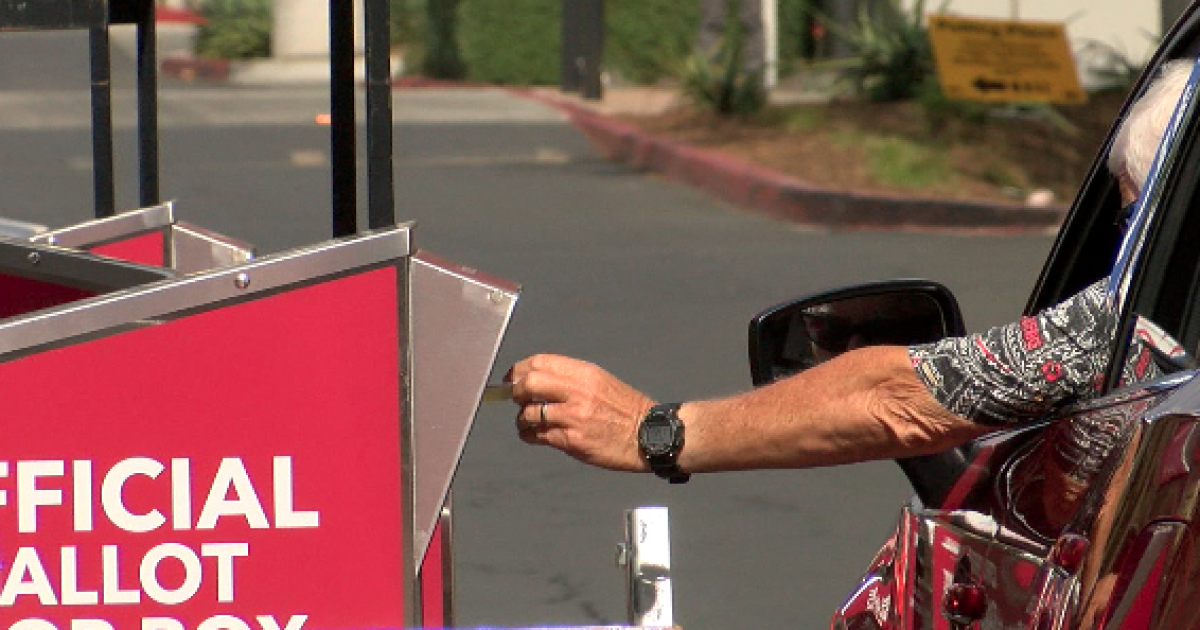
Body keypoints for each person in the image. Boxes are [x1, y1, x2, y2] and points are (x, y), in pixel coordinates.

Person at [504, 59, 1193, 482]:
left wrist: (649, 431)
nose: (1127, 257)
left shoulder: (1132, 330)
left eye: (1136, 228)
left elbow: (896, 398)